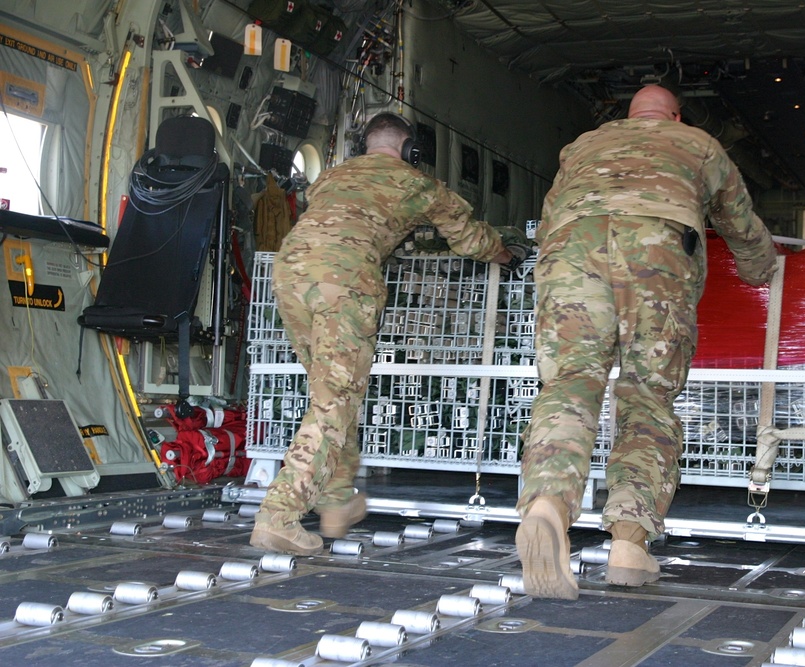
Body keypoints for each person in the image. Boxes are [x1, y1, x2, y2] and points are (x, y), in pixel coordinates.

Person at [515, 85, 778, 599]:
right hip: (655, 248)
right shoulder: (698, 144)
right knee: (645, 395)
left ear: (628, 115)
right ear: (674, 116)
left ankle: (547, 503)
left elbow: (546, 221)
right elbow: (740, 222)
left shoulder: (582, 146)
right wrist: (760, 268)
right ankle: (629, 545)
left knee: (570, 382)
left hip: (571, 247)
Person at [251, 112, 523, 555]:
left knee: (334, 394)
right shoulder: (417, 183)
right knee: (335, 400)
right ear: (412, 150)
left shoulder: (332, 177)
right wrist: (505, 255)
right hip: (345, 282)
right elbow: (468, 237)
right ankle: (279, 514)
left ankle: (337, 501)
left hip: (290, 274)